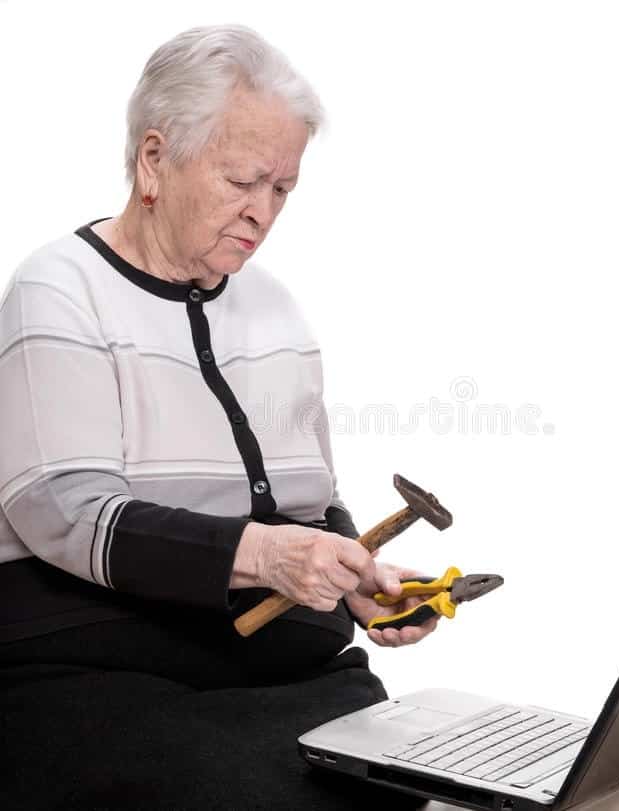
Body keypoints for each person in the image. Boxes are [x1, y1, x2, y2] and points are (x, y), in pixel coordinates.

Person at [0, 24, 438, 810]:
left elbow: (309, 499)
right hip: (110, 685)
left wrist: (353, 580)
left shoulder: (276, 311)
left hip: (295, 677)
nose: (262, 212)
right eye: (243, 179)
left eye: (282, 189)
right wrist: (265, 556)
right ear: (154, 162)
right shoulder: (59, 289)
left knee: (431, 780)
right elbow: (63, 510)